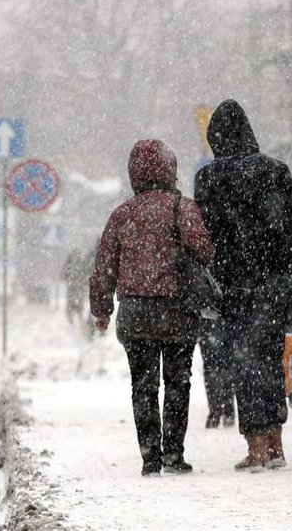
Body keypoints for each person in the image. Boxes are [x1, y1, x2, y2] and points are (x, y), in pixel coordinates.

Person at [89, 139, 215, 477]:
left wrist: (101, 309)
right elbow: (205, 251)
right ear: (169, 169)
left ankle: (150, 457)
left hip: (135, 312)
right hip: (177, 310)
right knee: (178, 382)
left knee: (143, 386)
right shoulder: (182, 208)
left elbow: (104, 267)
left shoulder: (122, 214)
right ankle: (174, 454)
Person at [194, 99, 292, 471]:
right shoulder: (277, 171)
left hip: (235, 288)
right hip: (275, 286)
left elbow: (206, 239)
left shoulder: (209, 179)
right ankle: (276, 443)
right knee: (272, 363)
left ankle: (256, 447)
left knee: (245, 364)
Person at [198, 317, 236, 428]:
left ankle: (219, 412)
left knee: (217, 372)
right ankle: (223, 411)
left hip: (217, 322)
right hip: (219, 322)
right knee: (220, 372)